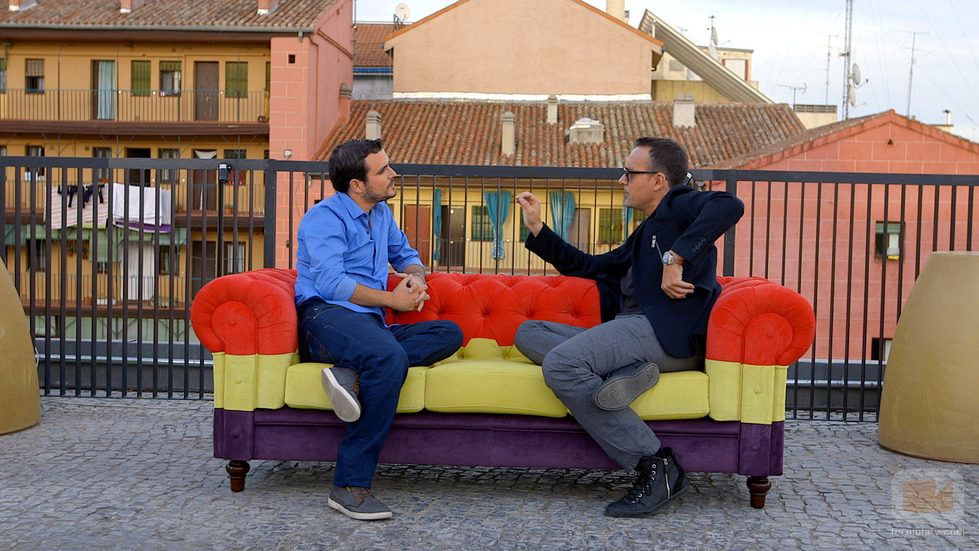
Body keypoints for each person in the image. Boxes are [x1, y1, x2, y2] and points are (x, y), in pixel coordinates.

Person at [513, 137, 743, 517]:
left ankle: (656, 467)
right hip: (634, 332)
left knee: (561, 365)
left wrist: (676, 257)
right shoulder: (647, 230)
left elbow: (729, 204)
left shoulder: (678, 203)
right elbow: (591, 267)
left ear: (657, 180)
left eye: (628, 173)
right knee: (529, 332)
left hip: (663, 332)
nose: (621, 179)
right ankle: (625, 372)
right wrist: (539, 229)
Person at [294, 139, 463, 521]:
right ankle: (349, 484)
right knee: (387, 357)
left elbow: (405, 255)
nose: (393, 174)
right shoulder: (323, 219)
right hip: (326, 317)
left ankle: (351, 371)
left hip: (370, 324)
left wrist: (415, 280)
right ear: (357, 184)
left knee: (449, 333)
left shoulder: (381, 213)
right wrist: (392, 301)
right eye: (383, 169)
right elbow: (332, 283)